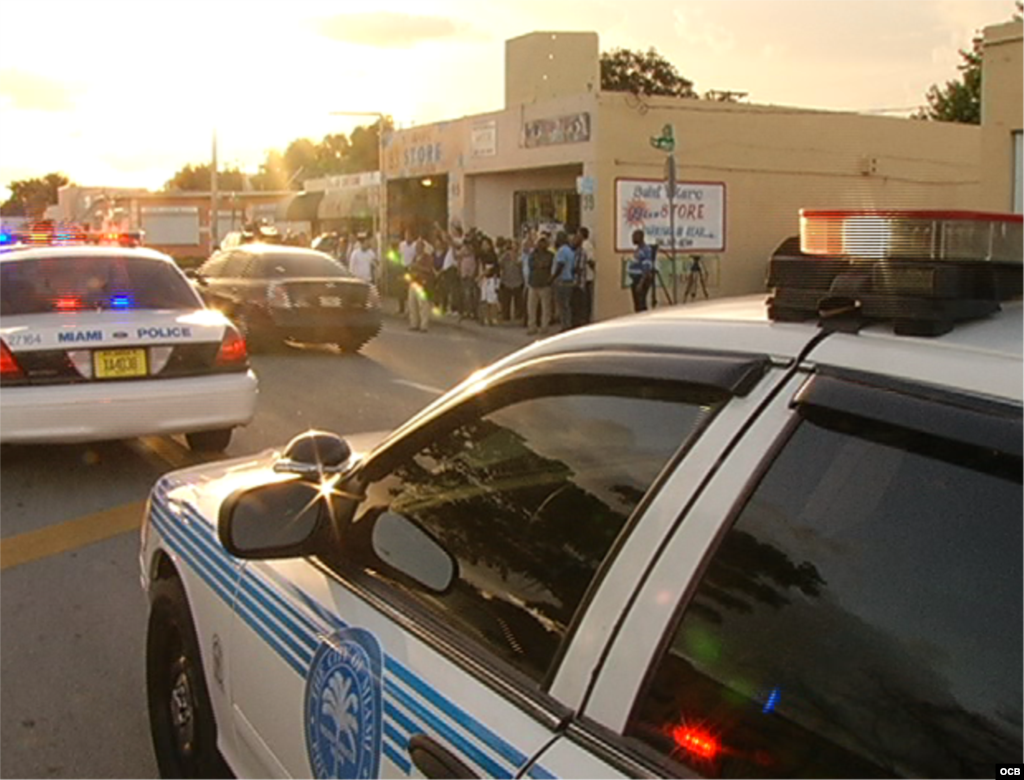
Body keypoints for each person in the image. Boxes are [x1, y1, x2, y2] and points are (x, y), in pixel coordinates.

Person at [525, 233, 555, 335]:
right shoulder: (533, 254)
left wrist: (540, 265)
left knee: (546, 308)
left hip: (545, 284)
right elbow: (532, 265)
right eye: (540, 242)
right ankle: (532, 326)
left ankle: (544, 326)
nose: (541, 244)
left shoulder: (550, 255)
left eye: (544, 242)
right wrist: (541, 265)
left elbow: (547, 264)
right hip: (533, 283)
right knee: (531, 308)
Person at [407, 238, 435, 332]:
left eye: (419, 247)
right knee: (412, 304)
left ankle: (424, 325)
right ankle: (414, 323)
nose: (417, 249)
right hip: (413, 282)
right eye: (416, 247)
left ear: (423, 247)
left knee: (423, 305)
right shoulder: (415, 257)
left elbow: (429, 270)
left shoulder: (428, 258)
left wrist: (418, 267)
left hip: (422, 283)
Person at [552, 231, 577, 332]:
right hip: (569, 279)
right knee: (567, 304)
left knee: (562, 305)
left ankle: (565, 326)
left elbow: (560, 265)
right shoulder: (570, 251)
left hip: (562, 281)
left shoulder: (562, 251)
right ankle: (568, 324)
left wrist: (552, 278)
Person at [628, 229, 655, 312]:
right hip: (635, 279)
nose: (632, 239)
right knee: (637, 304)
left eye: (634, 236)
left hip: (641, 279)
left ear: (640, 237)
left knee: (641, 304)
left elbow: (646, 268)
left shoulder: (645, 250)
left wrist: (641, 283)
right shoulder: (638, 249)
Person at [498, 237, 524, 323]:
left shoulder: (520, 256)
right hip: (506, 280)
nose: (514, 247)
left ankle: (518, 315)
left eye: (516, 245)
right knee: (506, 300)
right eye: (513, 245)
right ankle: (506, 315)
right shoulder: (506, 255)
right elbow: (500, 263)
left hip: (518, 280)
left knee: (518, 300)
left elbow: (522, 266)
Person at [457, 232, 478, 322]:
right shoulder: (463, 250)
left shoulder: (473, 251)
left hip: (470, 273)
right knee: (465, 293)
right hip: (464, 272)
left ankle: (472, 311)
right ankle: (466, 311)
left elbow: (474, 261)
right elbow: (458, 258)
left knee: (470, 293)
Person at [577, 226, 596, 324]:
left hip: (587, 277)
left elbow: (590, 260)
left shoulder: (586, 246)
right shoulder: (584, 245)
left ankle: (586, 319)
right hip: (585, 277)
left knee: (585, 299)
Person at [397, 229, 417, 314]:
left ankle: (410, 309)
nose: (407, 237)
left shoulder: (415, 245)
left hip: (411, 268)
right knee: (401, 289)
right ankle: (401, 308)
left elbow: (416, 257)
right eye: (406, 235)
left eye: (409, 236)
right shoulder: (402, 245)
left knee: (410, 289)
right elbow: (400, 255)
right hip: (403, 267)